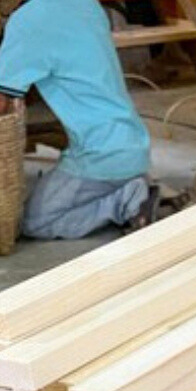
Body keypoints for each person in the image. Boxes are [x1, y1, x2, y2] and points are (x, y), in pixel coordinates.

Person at [0, 0, 158, 239]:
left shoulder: (29, 20)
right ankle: (129, 184)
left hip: (99, 155)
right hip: (132, 143)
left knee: (35, 221)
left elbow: (2, 99)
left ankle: (126, 199)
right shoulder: (87, 5)